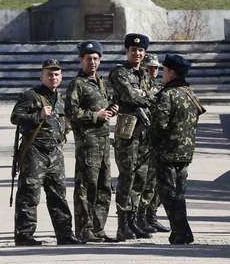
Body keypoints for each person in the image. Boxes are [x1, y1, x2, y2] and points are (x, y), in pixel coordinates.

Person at [11, 59, 82, 246]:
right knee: (30, 195)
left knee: (59, 195)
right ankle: (24, 235)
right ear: (42, 76)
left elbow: (64, 121)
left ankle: (65, 235)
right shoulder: (30, 95)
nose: (53, 77)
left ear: (61, 76)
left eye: (57, 74)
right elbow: (15, 117)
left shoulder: (60, 98)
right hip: (35, 151)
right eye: (49, 74)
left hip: (55, 152)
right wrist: (38, 116)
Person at [65, 41, 117, 243]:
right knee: (87, 186)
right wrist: (95, 115)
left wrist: (113, 108)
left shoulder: (101, 81)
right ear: (81, 60)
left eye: (96, 58)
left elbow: (110, 101)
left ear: (100, 60)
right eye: (88, 59)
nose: (92, 62)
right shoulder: (77, 84)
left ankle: (98, 228)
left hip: (103, 142)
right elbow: (70, 112)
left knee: (104, 186)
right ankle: (84, 229)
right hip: (88, 144)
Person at [151, 54, 204, 244]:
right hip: (185, 152)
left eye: (164, 71)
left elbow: (159, 125)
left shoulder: (167, 95)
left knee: (169, 194)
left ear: (171, 72)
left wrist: (151, 141)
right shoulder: (189, 92)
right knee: (179, 194)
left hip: (167, 152)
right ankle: (181, 231)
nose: (162, 75)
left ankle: (181, 231)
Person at [109, 33, 155, 241]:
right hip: (127, 132)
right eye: (133, 50)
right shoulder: (119, 72)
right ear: (127, 51)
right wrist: (146, 96)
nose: (137, 53)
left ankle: (133, 220)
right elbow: (129, 95)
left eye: (140, 50)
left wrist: (146, 96)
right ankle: (122, 224)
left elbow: (155, 94)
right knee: (127, 176)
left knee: (141, 177)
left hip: (144, 132)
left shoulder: (145, 75)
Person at [138, 53, 170, 234]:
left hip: (157, 139)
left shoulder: (160, 87)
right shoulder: (139, 86)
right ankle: (141, 217)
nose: (153, 71)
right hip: (142, 140)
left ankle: (152, 215)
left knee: (157, 181)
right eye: (149, 67)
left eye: (156, 68)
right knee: (144, 181)